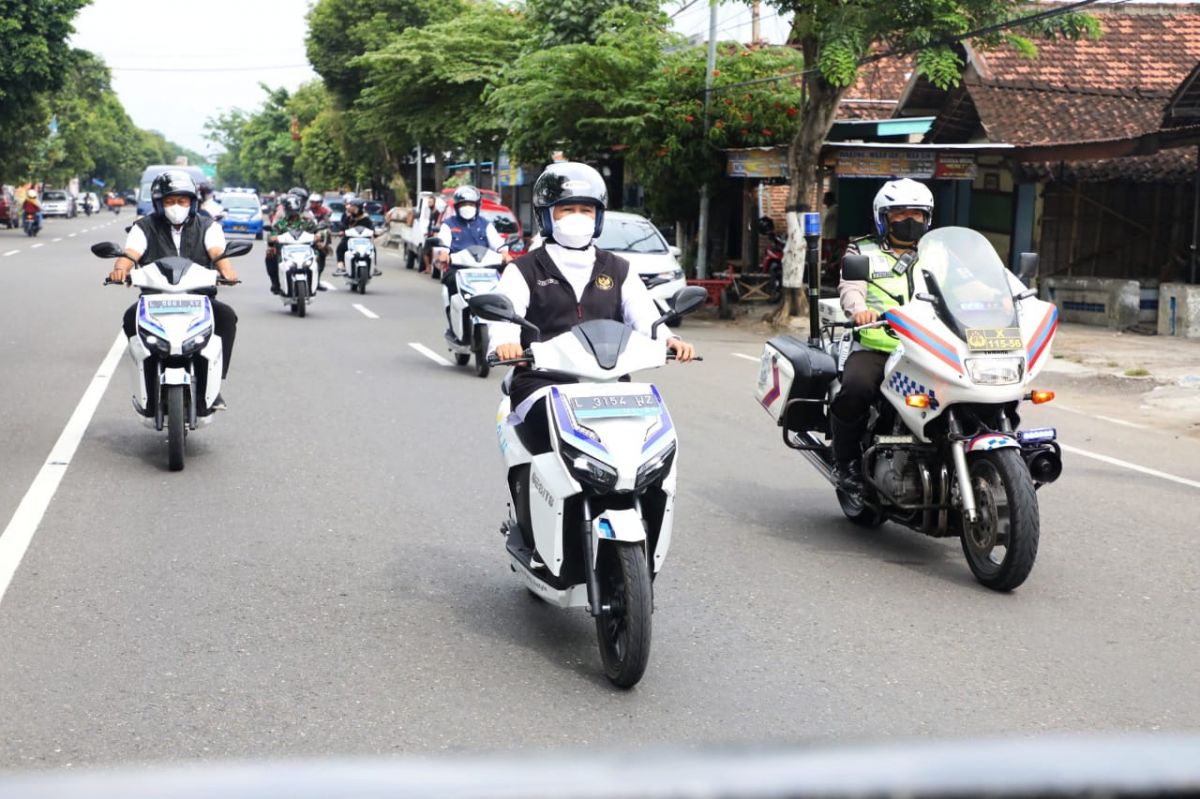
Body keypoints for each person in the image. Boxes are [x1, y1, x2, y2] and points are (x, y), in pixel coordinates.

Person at [490, 162, 695, 457]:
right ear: (546, 215)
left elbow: (645, 318)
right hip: (543, 382)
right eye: (567, 209)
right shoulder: (523, 270)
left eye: (586, 210)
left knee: (654, 449)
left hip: (609, 385)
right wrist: (505, 343)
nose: (578, 218)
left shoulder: (618, 269)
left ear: (598, 217)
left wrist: (669, 341)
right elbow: (505, 316)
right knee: (556, 448)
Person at [831, 178, 934, 496]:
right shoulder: (862, 250)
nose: (910, 220)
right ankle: (845, 462)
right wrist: (859, 310)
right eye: (901, 213)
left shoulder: (936, 254)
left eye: (917, 214)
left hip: (930, 348)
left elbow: (965, 286)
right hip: (878, 344)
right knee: (856, 389)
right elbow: (851, 288)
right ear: (884, 217)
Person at [106, 170, 238, 411]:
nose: (176, 206)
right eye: (169, 201)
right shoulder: (143, 227)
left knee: (226, 317)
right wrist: (119, 269)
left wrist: (227, 271)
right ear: (159, 203)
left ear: (192, 202)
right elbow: (130, 254)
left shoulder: (208, 226)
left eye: (182, 201)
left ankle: (216, 386)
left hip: (199, 299)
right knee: (129, 318)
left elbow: (218, 252)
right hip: (156, 301)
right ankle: (146, 384)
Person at [434, 185, 509, 333]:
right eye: (463, 204)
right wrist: (443, 254)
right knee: (450, 286)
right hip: (458, 269)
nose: (467, 207)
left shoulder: (485, 224)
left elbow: (499, 244)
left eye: (470, 204)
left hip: (485, 269)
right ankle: (454, 327)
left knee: (505, 286)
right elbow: (443, 244)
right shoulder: (448, 225)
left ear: (477, 206)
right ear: (457, 207)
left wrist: (504, 253)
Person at [265, 194, 320, 293]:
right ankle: (275, 283)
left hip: (306, 251)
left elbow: (317, 233)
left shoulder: (308, 222)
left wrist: (319, 236)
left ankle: (316, 282)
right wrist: (272, 239)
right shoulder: (280, 224)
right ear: (286, 210)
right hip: (284, 252)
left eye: (295, 212)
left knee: (321, 253)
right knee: (269, 255)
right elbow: (271, 235)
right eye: (291, 212)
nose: (293, 214)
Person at [333, 198, 382, 277]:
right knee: (340, 247)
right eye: (351, 206)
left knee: (373, 249)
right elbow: (342, 226)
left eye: (354, 207)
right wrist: (342, 231)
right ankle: (340, 266)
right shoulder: (348, 217)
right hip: (350, 239)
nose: (351, 208)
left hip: (364, 240)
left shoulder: (366, 218)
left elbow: (372, 228)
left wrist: (375, 233)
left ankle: (374, 267)